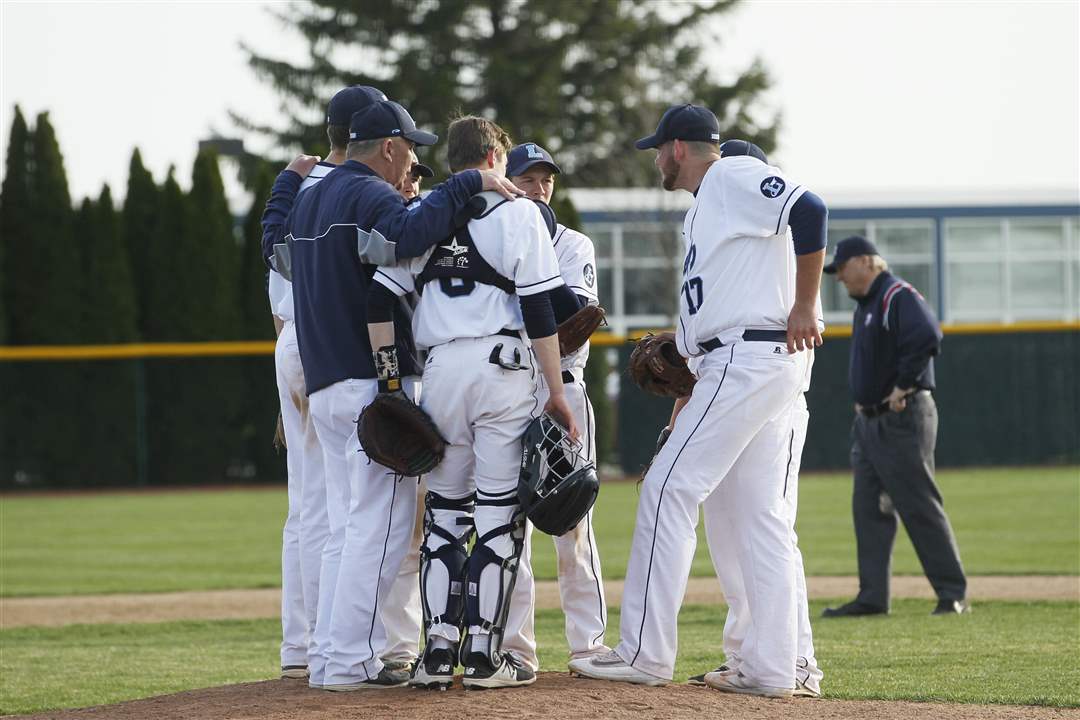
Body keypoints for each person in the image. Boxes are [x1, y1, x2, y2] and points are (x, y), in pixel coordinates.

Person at [569, 104, 828, 698]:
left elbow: (810, 208)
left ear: (679, 148)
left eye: (657, 149)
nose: (655, 159)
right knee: (752, 518)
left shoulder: (729, 175)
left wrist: (807, 305)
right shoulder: (707, 210)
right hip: (742, 361)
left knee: (668, 488)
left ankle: (642, 652)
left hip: (749, 358)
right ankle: (778, 667)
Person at [277, 99, 525, 692]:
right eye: (410, 146)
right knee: (379, 529)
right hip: (367, 381)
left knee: (345, 527)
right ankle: (345, 663)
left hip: (326, 378)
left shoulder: (314, 194)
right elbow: (414, 229)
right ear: (387, 147)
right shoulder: (365, 192)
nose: (414, 157)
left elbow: (273, 247)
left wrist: (285, 184)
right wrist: (471, 179)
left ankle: (334, 657)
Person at [366, 116, 578, 690]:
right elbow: (539, 310)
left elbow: (380, 302)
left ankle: (437, 655)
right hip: (501, 370)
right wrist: (557, 391)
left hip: (439, 373)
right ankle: (484, 656)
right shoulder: (519, 214)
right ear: (492, 159)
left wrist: (390, 386)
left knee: (443, 514)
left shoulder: (422, 216)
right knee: (497, 515)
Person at [681, 141, 823, 699]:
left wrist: (806, 305)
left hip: (772, 382)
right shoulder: (738, 246)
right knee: (734, 526)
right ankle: (768, 658)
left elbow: (810, 209)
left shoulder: (760, 209)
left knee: (764, 523)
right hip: (739, 376)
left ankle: (793, 663)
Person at [263, 84, 387, 681]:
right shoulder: (361, 191)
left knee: (306, 504)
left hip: (293, 341)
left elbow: (275, 289)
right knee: (347, 506)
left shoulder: (301, 187)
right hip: (335, 342)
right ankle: (341, 644)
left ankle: (302, 644)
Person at [502, 141, 610, 671]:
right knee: (508, 522)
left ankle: (587, 645)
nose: (539, 185)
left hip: (562, 386)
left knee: (574, 521)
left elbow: (571, 327)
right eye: (527, 177)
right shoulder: (492, 239)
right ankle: (514, 648)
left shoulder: (573, 244)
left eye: (546, 178)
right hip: (503, 390)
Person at [820, 236, 968, 618]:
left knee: (919, 504)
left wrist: (903, 384)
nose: (838, 278)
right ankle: (873, 597)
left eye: (842, 268)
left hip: (903, 417)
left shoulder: (895, 295)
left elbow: (927, 336)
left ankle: (952, 594)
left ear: (867, 262)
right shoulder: (868, 305)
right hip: (870, 423)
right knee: (868, 509)